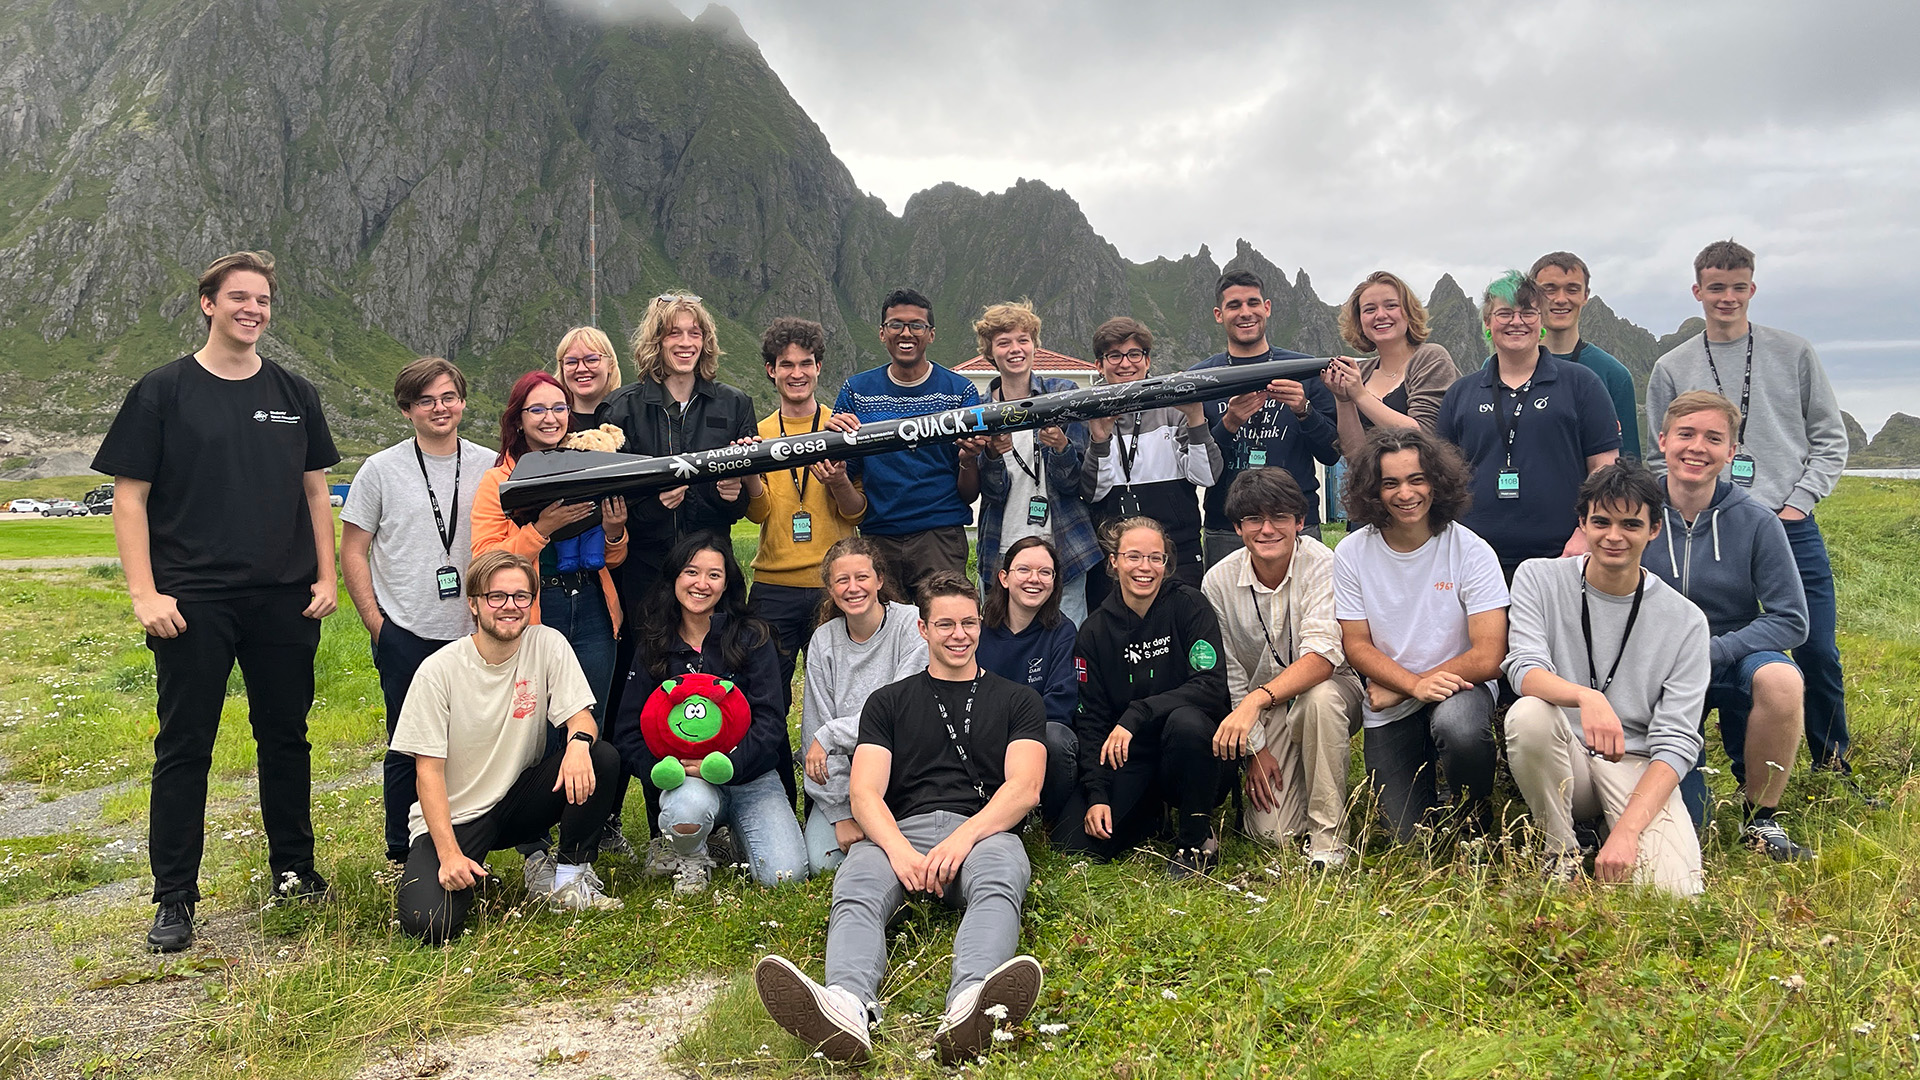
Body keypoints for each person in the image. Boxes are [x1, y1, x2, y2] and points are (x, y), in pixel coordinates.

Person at [93, 251, 341, 953]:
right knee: (184, 748)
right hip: (193, 600)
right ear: (208, 303)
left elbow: (315, 490)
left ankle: (294, 871)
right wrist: (144, 593)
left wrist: (326, 579)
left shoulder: (295, 392)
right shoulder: (163, 391)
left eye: (262, 299)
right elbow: (130, 498)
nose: (252, 310)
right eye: (239, 298)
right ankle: (174, 897)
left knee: (286, 740)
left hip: (283, 598)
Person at [754, 573, 1047, 1066]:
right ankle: (847, 1004)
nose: (959, 635)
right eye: (946, 624)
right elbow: (865, 791)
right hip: (900, 831)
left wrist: (961, 841)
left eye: (969, 624)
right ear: (923, 630)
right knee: (857, 883)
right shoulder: (888, 702)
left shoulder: (1018, 700)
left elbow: (1024, 787)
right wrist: (898, 851)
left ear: (981, 627)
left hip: (982, 831)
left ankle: (970, 1003)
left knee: (1000, 876)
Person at [1645, 240, 1859, 794]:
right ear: (1698, 291)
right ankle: (1693, 754)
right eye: (1716, 287)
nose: (1727, 297)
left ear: (1752, 289)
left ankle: (1832, 763)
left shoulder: (1794, 353)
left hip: (1785, 522)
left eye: (1738, 286)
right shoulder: (1672, 365)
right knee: (1696, 632)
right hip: (1703, 522)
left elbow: (1830, 440)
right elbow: (1655, 454)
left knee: (1815, 647)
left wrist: (1797, 503)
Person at [390, 551, 625, 941]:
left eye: (520, 597)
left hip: (519, 802)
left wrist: (578, 745)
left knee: (600, 756)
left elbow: (582, 718)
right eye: (496, 597)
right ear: (474, 604)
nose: (510, 607)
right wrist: (448, 855)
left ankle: (569, 880)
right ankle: (468, 868)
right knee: (427, 924)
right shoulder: (438, 671)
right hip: (458, 816)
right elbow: (427, 772)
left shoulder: (548, 643)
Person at [1503, 463, 1707, 895]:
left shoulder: (1686, 621)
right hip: (1565, 759)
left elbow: (1677, 739)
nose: (1614, 536)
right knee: (1529, 714)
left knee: (1675, 894)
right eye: (1601, 521)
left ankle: (1608, 829)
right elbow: (1524, 668)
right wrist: (1587, 697)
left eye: (1631, 524)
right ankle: (1560, 855)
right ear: (1582, 523)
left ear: (1654, 529)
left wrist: (1628, 832)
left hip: (1634, 763)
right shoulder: (1538, 578)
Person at [341, 356, 498, 865]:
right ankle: (402, 851)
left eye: (448, 397)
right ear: (406, 409)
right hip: (405, 630)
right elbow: (353, 549)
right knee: (409, 745)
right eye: (426, 400)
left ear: (463, 402)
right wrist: (376, 624)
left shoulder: (489, 464)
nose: (440, 408)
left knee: (481, 739)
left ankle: (473, 839)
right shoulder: (380, 470)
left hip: (477, 631)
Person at [470, 371, 630, 870]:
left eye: (559, 408)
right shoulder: (499, 479)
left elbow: (609, 559)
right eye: (537, 409)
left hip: (593, 607)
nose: (550, 418)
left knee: (589, 720)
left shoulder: (588, 463)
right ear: (518, 419)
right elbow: (486, 558)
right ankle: (532, 846)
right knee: (536, 729)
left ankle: (580, 842)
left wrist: (616, 531)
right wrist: (541, 529)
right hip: (538, 610)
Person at [1641, 392, 1812, 857]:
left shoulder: (1756, 521)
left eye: (1714, 438)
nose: (1698, 447)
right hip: (1657, 664)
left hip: (1732, 654)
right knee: (1682, 828)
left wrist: (1714, 651)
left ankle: (1762, 818)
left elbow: (1791, 619)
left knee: (1781, 680)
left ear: (1731, 452)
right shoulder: (1636, 512)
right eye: (1686, 434)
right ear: (1663, 440)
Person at [1334, 428, 1508, 841]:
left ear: (1436, 482)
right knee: (1405, 838)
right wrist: (1412, 685)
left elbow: (1488, 655)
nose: (1405, 493)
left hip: (1461, 689)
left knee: (1460, 727)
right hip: (1392, 694)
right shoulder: (1352, 552)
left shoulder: (1472, 550)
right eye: (1390, 482)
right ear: (1372, 490)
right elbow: (1355, 644)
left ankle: (1472, 814)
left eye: (1416, 479)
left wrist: (1413, 687)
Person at [609, 534, 805, 894]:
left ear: (727, 582)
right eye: (691, 572)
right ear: (674, 578)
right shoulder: (655, 642)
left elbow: (771, 720)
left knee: (785, 875)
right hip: (686, 780)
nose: (701, 584)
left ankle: (729, 838)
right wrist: (661, 769)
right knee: (688, 808)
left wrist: (731, 764)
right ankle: (692, 853)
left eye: (714, 575)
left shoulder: (752, 637)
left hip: (751, 778)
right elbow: (627, 730)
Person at [1201, 469, 1363, 867]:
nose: (1267, 529)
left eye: (1279, 517)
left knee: (1318, 700)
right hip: (1267, 708)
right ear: (1238, 527)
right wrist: (1256, 749)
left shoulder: (1323, 563)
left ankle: (1328, 840)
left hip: (1333, 690)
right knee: (1273, 834)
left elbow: (1323, 658)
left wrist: (1256, 702)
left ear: (1300, 522)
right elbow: (1232, 672)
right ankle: (1307, 781)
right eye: (1254, 519)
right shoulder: (1217, 582)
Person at [1057, 517, 1231, 876]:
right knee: (1074, 843)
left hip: (1192, 750)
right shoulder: (1094, 631)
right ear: (1114, 562)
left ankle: (1197, 838)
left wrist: (1138, 712)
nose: (1145, 568)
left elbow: (1210, 686)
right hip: (1131, 758)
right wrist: (1097, 794)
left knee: (1186, 722)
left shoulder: (1189, 605)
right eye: (1133, 556)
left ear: (1166, 564)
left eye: (1156, 557)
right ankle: (1152, 814)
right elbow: (1090, 719)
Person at [1438, 271, 1621, 578]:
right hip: (1475, 558)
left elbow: (1604, 469)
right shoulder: (1461, 392)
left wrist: (1587, 532)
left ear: (1541, 321)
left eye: (1527, 312)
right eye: (1505, 313)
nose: (1516, 321)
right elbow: (1441, 477)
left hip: (1562, 554)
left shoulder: (1580, 384)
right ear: (1487, 323)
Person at [602, 292, 759, 609]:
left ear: (705, 342)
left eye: (694, 333)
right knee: (650, 657)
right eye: (674, 333)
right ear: (656, 342)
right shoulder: (621, 409)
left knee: (720, 656)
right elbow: (613, 504)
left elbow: (741, 507)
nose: (685, 342)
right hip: (646, 574)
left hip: (713, 573)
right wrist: (657, 506)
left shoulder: (736, 405)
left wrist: (731, 496)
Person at [744, 317, 868, 709]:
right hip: (773, 586)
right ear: (771, 371)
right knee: (767, 696)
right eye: (786, 365)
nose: (796, 374)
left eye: (805, 363)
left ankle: (834, 772)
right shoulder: (759, 433)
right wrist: (749, 474)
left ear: (818, 367)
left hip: (832, 585)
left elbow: (857, 512)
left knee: (837, 695)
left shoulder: (842, 428)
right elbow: (758, 514)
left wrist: (838, 482)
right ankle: (775, 772)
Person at [827, 289, 985, 592]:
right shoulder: (856, 391)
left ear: (931, 334)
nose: (906, 333)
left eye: (916, 325)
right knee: (883, 633)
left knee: (944, 627)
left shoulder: (961, 391)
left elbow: (969, 492)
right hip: (877, 536)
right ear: (882, 333)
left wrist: (969, 460)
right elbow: (844, 472)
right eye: (896, 324)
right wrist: (833, 461)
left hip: (940, 536)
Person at [799, 537, 927, 875]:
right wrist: (841, 812)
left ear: (880, 580)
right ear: (830, 587)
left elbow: (900, 713)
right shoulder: (824, 640)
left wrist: (831, 734)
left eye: (862, 577)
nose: (853, 588)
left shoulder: (911, 625)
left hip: (906, 770)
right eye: (842, 580)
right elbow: (815, 732)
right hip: (848, 778)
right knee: (823, 863)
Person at [1193, 269, 1338, 562]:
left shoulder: (1307, 371)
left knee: (1307, 608)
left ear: (1267, 308)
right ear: (1219, 315)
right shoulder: (1200, 379)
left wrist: (1304, 410)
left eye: (1253, 303)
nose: (1245, 312)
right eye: (1234, 305)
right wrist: (1229, 423)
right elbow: (1198, 468)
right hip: (1227, 528)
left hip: (1297, 522)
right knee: (1227, 608)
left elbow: (1331, 453)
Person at [972, 302, 1100, 625]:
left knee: (1067, 641)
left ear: (1034, 345)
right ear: (990, 352)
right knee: (1001, 642)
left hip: (1064, 546)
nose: (1015, 349)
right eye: (1004, 342)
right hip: (1001, 547)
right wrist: (991, 456)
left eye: (1023, 340)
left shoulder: (1064, 393)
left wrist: (1060, 448)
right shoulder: (979, 409)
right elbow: (988, 492)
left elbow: (1076, 483)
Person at [1081, 317, 1221, 603]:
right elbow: (1092, 492)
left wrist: (1195, 417)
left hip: (1177, 551)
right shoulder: (1089, 412)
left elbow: (1206, 476)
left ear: (1147, 361)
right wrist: (1099, 440)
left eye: (1134, 354)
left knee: (1182, 632)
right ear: (1099, 364)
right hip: (1116, 553)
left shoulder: (1176, 407)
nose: (1125, 364)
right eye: (1114, 356)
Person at [977, 536, 1081, 828]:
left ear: (1054, 581)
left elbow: (1061, 702)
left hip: (1037, 736)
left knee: (1056, 739)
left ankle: (1048, 819)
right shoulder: (978, 630)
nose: (1034, 579)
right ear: (1004, 578)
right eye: (1024, 570)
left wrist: (1013, 734)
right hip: (984, 736)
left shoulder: (1063, 631)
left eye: (1045, 572)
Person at [1324, 270, 1458, 458]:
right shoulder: (1361, 372)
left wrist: (1360, 394)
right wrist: (1343, 400)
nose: (1380, 315)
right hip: (1375, 485)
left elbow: (1424, 435)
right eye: (1370, 309)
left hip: (1426, 483)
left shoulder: (1431, 358)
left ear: (1409, 312)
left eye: (1391, 306)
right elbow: (1355, 455)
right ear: (1360, 321)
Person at [1531, 252, 1641, 462]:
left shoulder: (1614, 375)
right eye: (1549, 289)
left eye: (1572, 289)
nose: (1561, 299)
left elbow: (1629, 464)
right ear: (1533, 295)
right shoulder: (1498, 367)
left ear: (1585, 295)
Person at [553, 325, 623, 433]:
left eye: (591, 360)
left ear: (611, 365)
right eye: (571, 362)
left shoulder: (630, 419)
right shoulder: (552, 424)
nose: (581, 369)